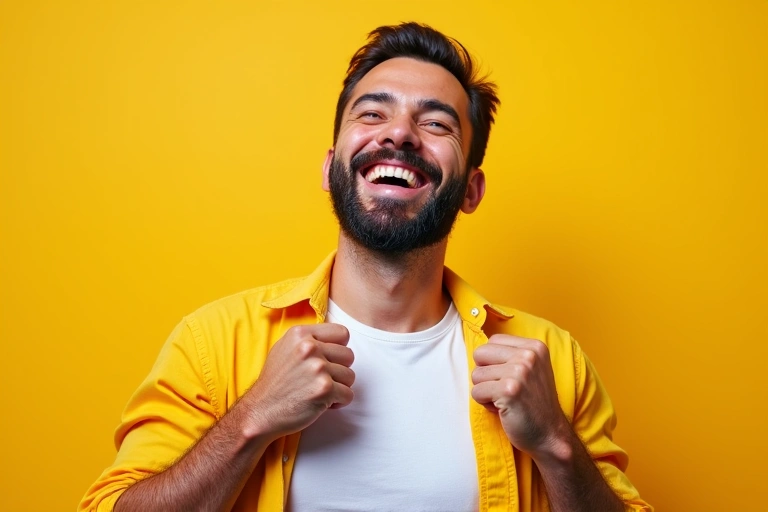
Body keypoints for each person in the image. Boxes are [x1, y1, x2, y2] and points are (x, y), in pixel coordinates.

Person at [79, 22, 651, 512]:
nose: (399, 133)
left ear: (471, 189)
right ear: (331, 168)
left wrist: (554, 441)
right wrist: (251, 418)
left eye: (436, 124)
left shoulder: (548, 360)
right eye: (373, 112)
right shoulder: (214, 344)